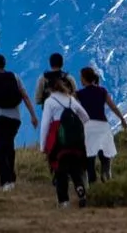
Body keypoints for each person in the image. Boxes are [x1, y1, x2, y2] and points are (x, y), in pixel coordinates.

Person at [0, 53, 38, 191]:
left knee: (0, 149)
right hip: (14, 119)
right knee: (9, 147)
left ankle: (6, 181)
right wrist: (33, 116)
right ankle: (12, 177)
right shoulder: (15, 77)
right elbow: (25, 96)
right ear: (4, 64)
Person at [39, 72, 91, 208]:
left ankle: (64, 201)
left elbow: (45, 124)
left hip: (58, 139)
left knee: (60, 170)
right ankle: (80, 190)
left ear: (50, 89)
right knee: (75, 168)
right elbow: (85, 116)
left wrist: (43, 145)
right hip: (75, 141)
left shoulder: (50, 101)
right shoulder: (70, 99)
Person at [75, 66, 127, 184]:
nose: (80, 80)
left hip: (88, 126)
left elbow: (69, 101)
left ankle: (92, 181)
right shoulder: (102, 91)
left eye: (81, 78)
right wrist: (122, 119)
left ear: (84, 79)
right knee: (105, 153)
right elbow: (113, 106)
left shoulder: (80, 93)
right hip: (103, 125)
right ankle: (105, 173)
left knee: (90, 156)